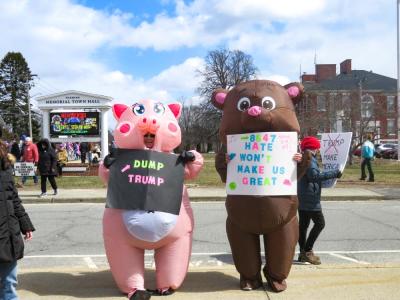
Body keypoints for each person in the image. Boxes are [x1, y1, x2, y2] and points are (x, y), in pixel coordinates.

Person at [297, 136, 342, 265]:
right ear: (313, 148)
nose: (318, 150)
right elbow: (314, 176)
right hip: (310, 198)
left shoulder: (303, 157)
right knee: (320, 223)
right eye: (317, 148)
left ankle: (302, 253)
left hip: (303, 197)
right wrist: (334, 173)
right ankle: (308, 250)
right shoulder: (310, 160)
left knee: (303, 226)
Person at [0, 139, 35, 299]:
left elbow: (14, 200)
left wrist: (25, 224)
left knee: (9, 283)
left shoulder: (5, 168)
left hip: (8, 233)